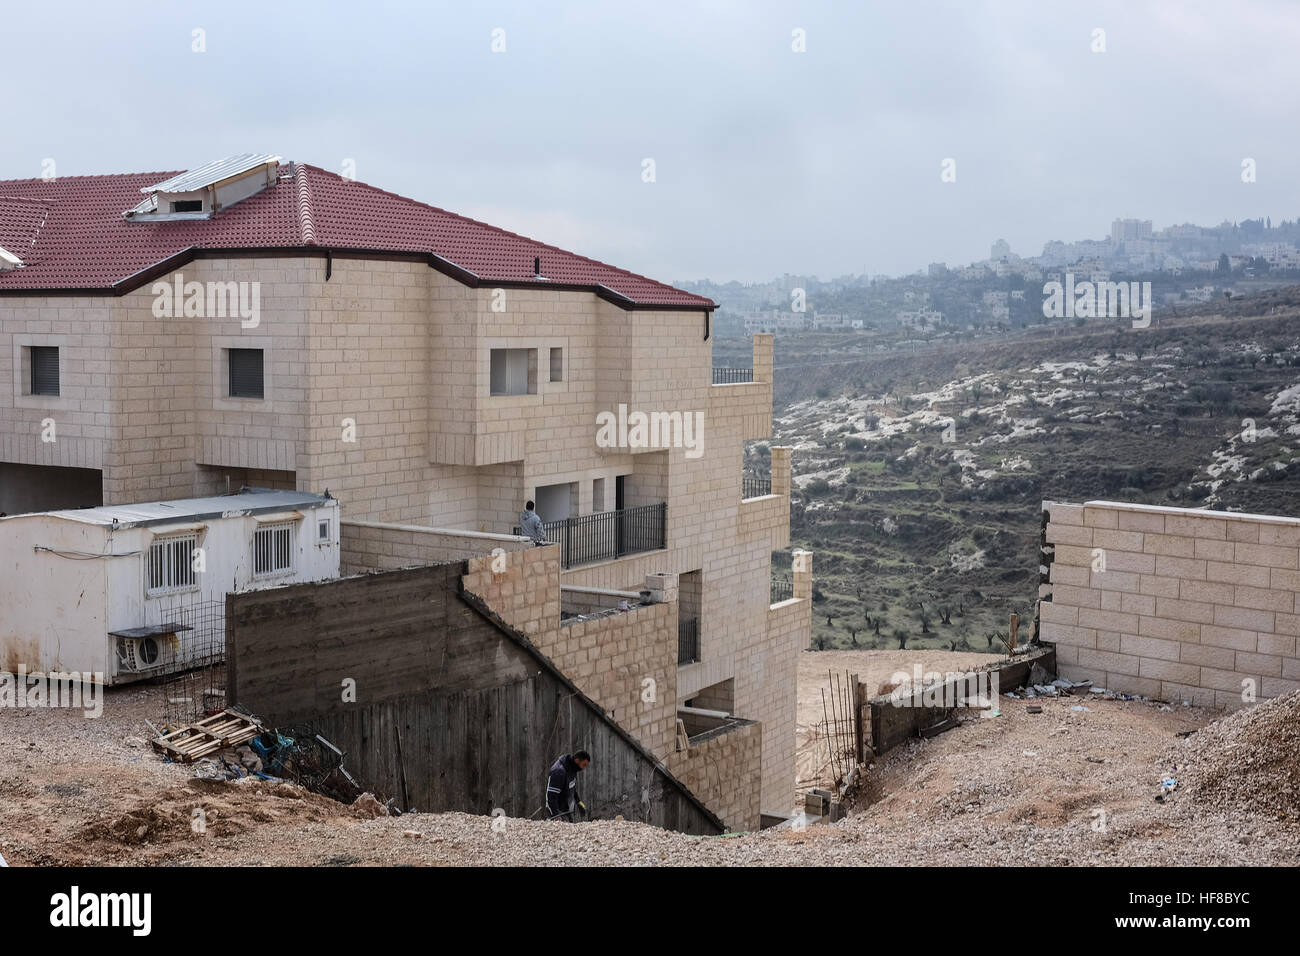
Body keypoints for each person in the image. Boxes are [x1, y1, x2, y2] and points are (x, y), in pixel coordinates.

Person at [545, 751, 590, 821]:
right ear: (577, 760)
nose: (583, 768)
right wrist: (556, 815)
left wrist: (579, 802)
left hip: (565, 810)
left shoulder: (572, 769)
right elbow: (551, 796)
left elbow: (572, 787)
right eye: (583, 765)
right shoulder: (559, 772)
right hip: (556, 812)